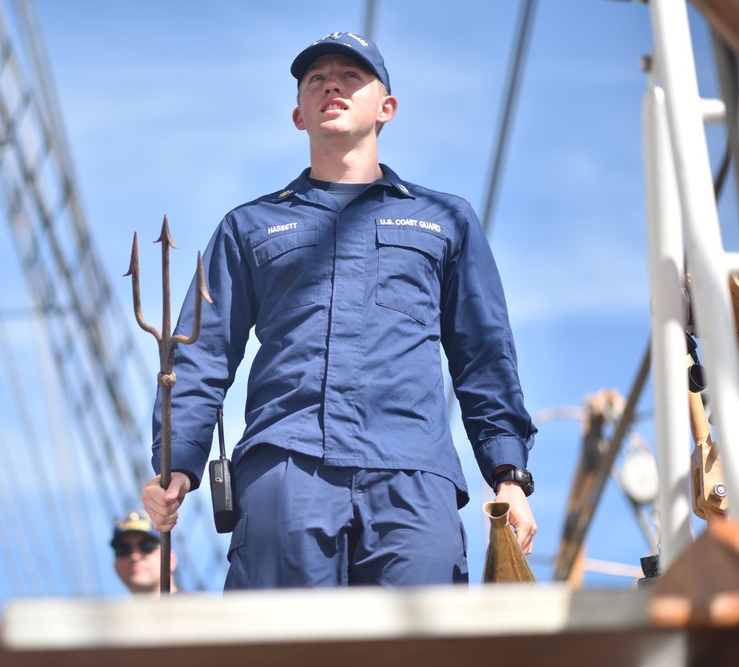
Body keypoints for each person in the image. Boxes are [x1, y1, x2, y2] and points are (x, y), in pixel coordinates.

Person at [142, 32, 537, 589]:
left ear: (387, 108)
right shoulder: (248, 227)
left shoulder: (446, 220)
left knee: (422, 647)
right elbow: (200, 355)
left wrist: (509, 475)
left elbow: (484, 353)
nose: (331, 84)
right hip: (287, 470)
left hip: (413, 477)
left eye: (351, 76)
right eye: (315, 79)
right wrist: (175, 462)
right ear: (298, 114)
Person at [110, 509, 177, 596]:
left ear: (171, 559)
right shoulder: (106, 609)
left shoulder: (198, 606)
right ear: (116, 566)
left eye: (147, 546)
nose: (134, 556)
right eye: (123, 549)